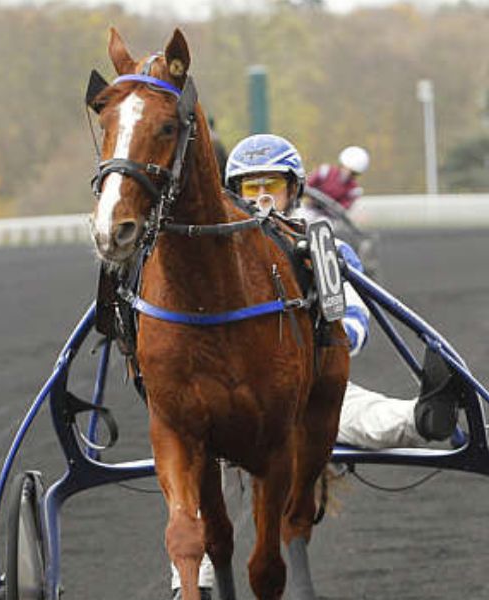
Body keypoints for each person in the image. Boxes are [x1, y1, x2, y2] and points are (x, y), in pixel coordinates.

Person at [167, 134, 469, 599]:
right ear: (234, 195)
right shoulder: (219, 265)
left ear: (295, 190)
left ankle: (424, 417)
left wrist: (337, 340)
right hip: (228, 399)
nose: (264, 199)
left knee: (363, 416)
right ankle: (194, 584)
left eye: (273, 187)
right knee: (197, 470)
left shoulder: (321, 247)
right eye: (251, 190)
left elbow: (354, 311)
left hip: (304, 390)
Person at [305, 145, 369, 210]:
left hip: (329, 217)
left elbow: (343, 208)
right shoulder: (324, 171)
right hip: (309, 209)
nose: (348, 174)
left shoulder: (353, 190)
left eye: (353, 173)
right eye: (347, 169)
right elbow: (305, 186)